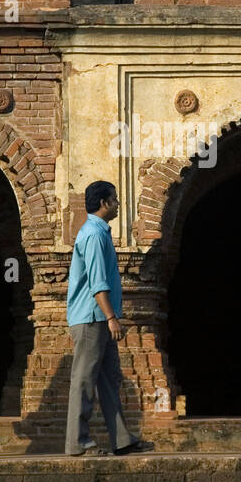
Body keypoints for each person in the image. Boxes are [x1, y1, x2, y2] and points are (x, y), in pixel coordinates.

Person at [65, 180, 153, 457]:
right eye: (114, 199)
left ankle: (122, 439)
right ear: (104, 203)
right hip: (93, 318)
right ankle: (77, 443)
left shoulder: (98, 232)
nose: (117, 204)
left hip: (99, 318)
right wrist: (111, 317)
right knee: (84, 379)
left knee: (108, 379)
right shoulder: (93, 234)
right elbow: (97, 282)